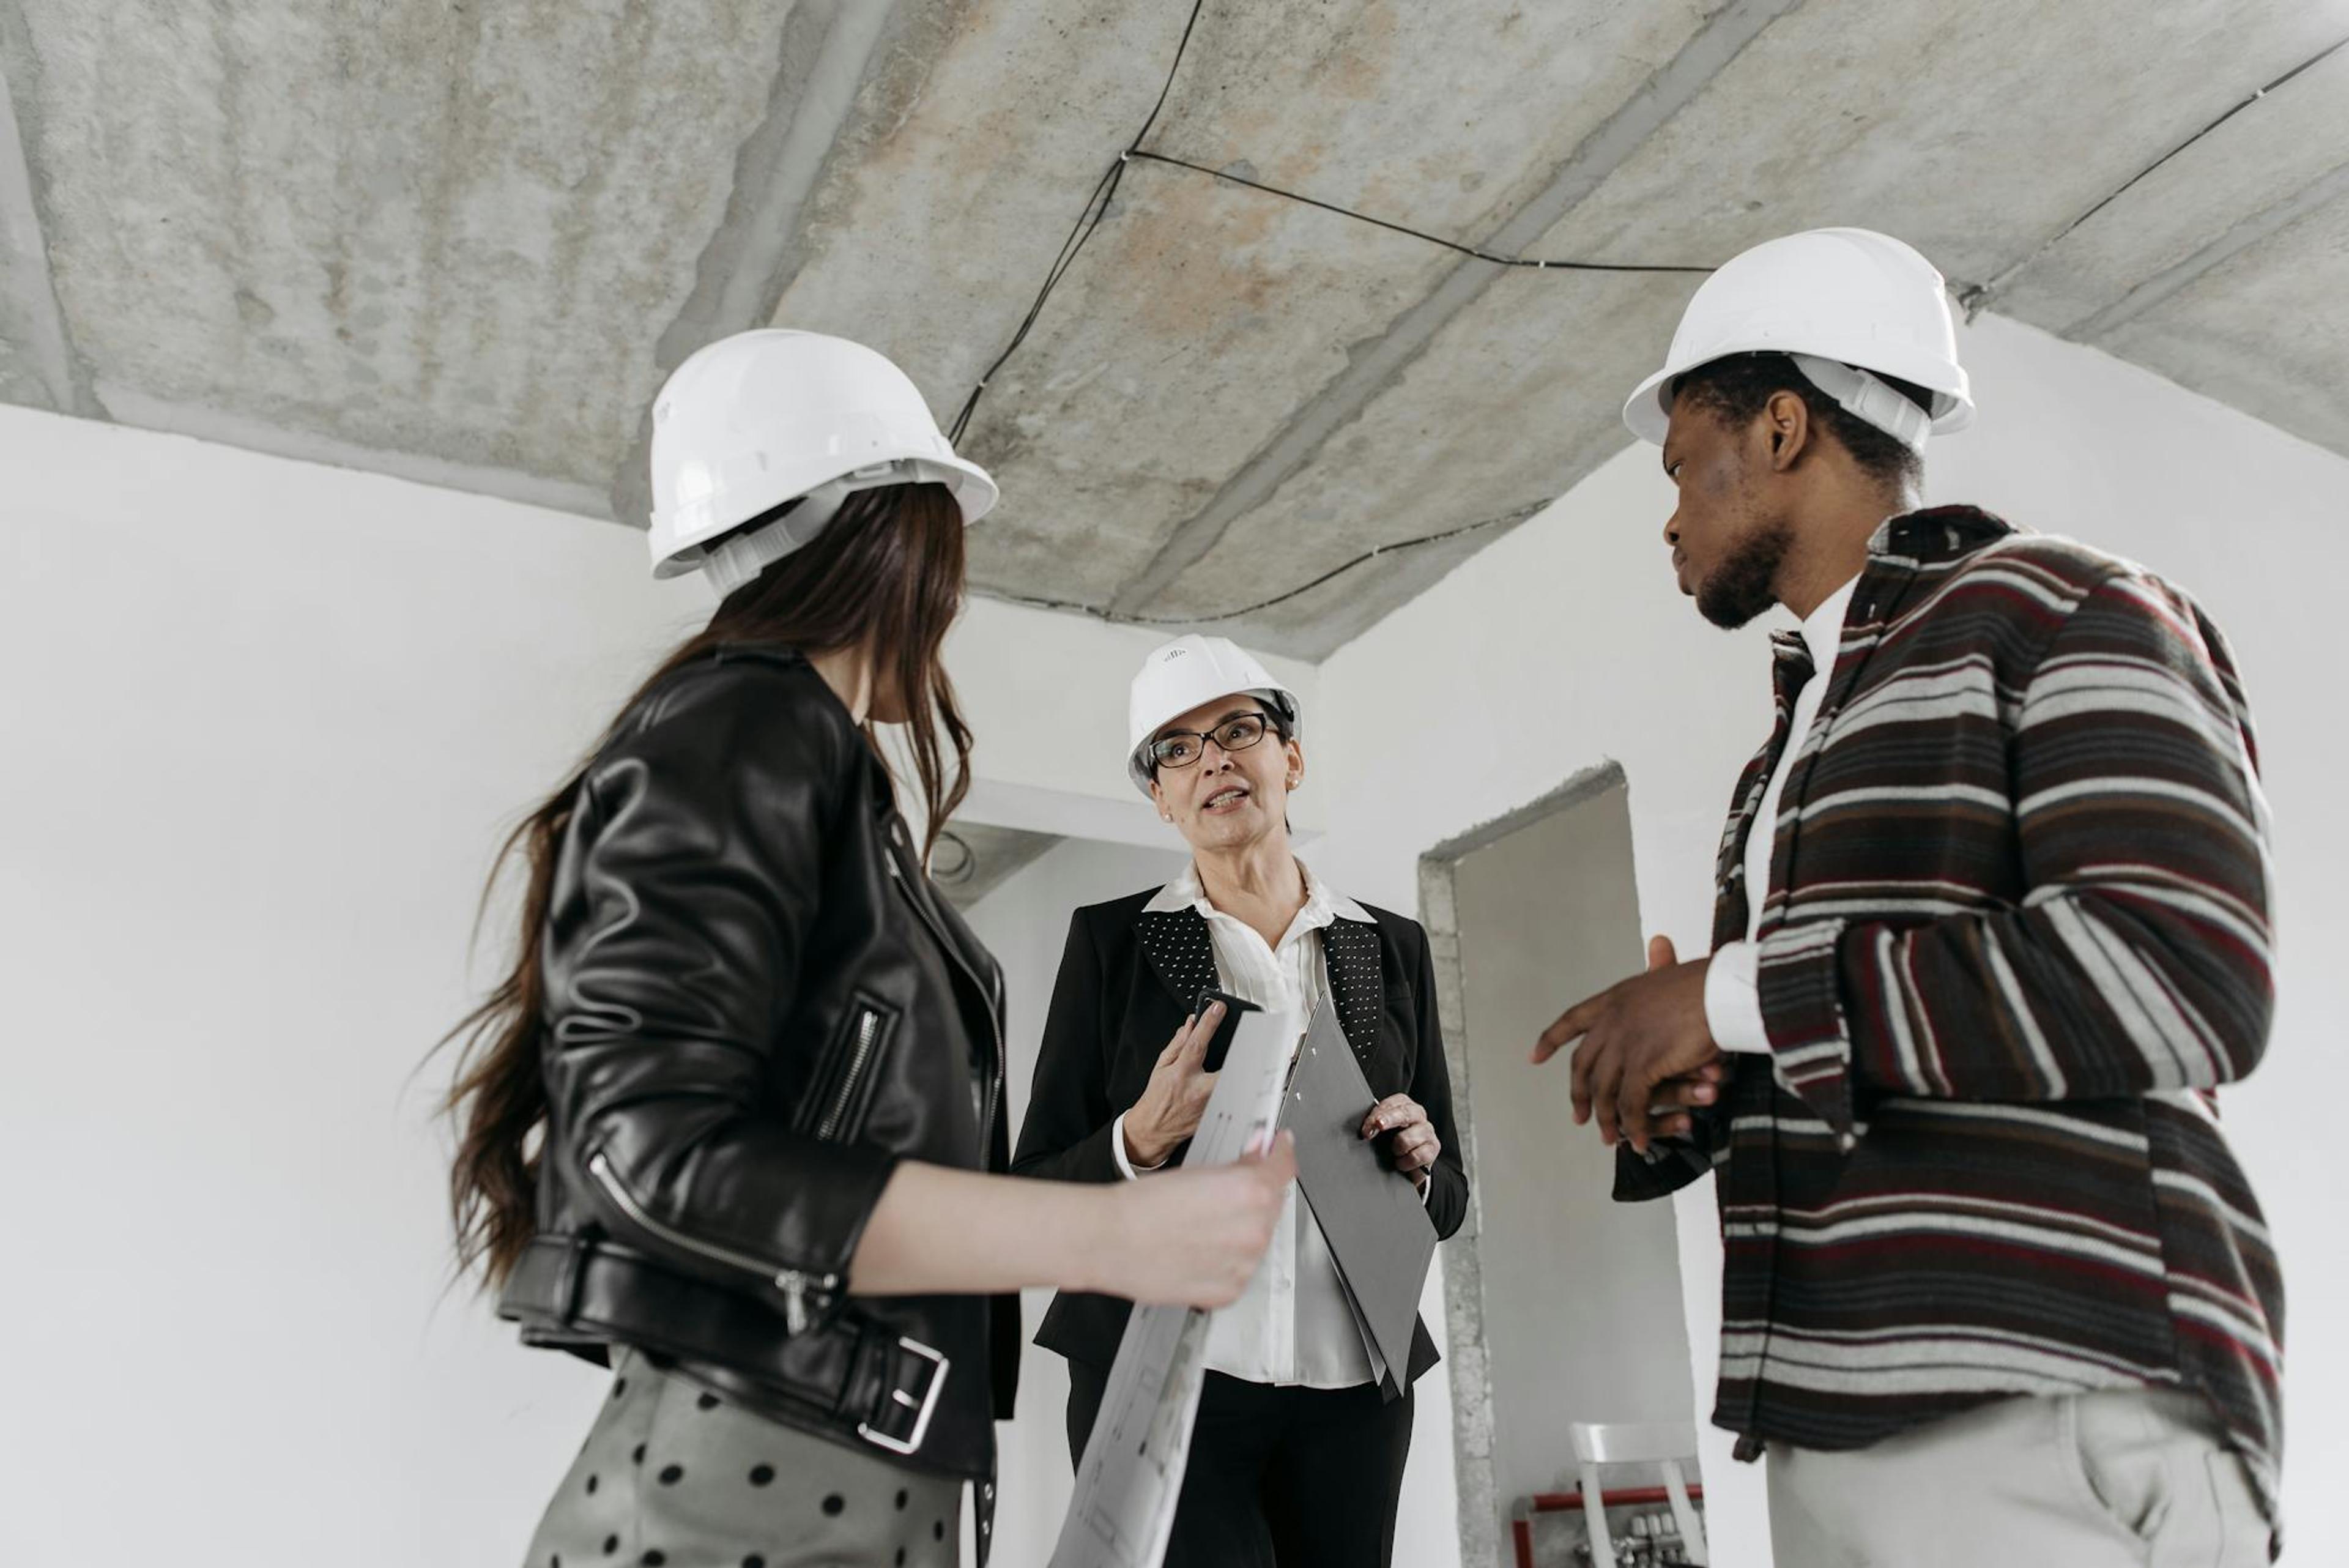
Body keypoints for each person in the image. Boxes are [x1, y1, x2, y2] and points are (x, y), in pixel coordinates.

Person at [438, 330, 1294, 1568]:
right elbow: (650, 1152)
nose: (950, 588)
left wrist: (1129, 1158)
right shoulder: (749, 726)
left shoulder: (806, 761)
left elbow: (876, 1211)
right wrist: (1106, 1242)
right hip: (749, 1500)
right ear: (886, 528)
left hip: (836, 1482)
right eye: (944, 534)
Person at [1532, 228, 2282, 1565]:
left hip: (2044, 1388)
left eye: (1678, 466)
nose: (1668, 514)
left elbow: (2183, 977)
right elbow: (1836, 1041)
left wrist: (1721, 996)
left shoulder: (2064, 606)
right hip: (1832, 1410)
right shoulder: (1790, 749)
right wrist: (1698, 1095)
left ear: (1777, 428)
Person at [1012, 634, 1466, 1568]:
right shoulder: (1113, 946)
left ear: (1289, 759)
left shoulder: (1391, 946)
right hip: (1167, 1377)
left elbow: (1452, 1194)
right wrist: (1138, 1140)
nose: (1212, 758)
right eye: (1175, 750)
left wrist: (1420, 1167)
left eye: (1238, 730)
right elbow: (1037, 1187)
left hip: (1353, 1385)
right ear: (1160, 798)